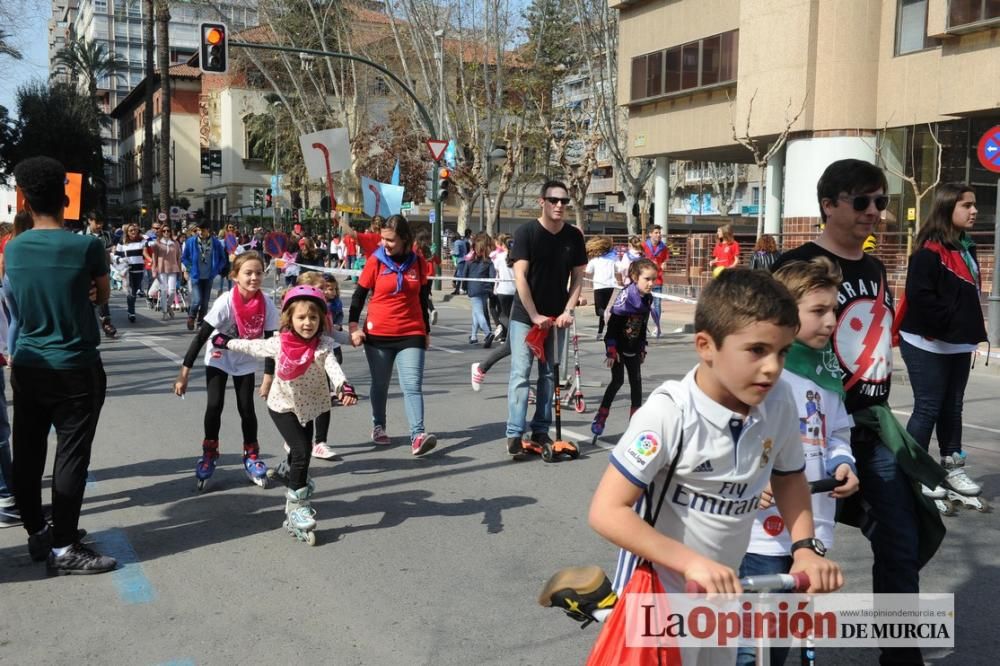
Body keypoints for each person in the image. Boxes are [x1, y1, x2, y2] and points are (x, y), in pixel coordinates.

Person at [570, 269, 843, 666]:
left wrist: (805, 548)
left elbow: (789, 477)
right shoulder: (668, 413)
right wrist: (691, 562)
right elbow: (607, 512)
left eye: (782, 352)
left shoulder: (780, 400)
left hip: (719, 594)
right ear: (705, 346)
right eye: (757, 350)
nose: (772, 367)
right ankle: (601, 604)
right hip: (658, 592)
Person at [772, 158, 946, 666]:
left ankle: (901, 656)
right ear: (828, 204)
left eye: (881, 202)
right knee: (782, 545)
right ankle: (763, 651)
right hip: (805, 428)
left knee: (902, 537)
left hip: (869, 424)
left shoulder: (872, 267)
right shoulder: (797, 262)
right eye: (862, 201)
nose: (875, 212)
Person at [738, 257, 860, 666]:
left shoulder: (829, 374)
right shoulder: (767, 372)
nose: (831, 321)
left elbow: (838, 432)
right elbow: (735, 437)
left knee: (782, 636)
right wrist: (753, 478)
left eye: (834, 311)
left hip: (814, 525)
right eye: (819, 311)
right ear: (787, 315)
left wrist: (844, 464)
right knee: (749, 644)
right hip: (763, 535)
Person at [7, 156, 117, 573]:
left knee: (28, 451)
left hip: (29, 362)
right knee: (71, 456)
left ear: (26, 199)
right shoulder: (86, 245)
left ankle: (38, 532)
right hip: (74, 364)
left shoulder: (14, 248)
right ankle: (64, 545)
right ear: (65, 195)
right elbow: (102, 296)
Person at [219, 286, 357, 544]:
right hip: (282, 406)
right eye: (301, 317)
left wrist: (343, 386)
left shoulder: (323, 345)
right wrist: (225, 342)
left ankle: (287, 469)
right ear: (290, 320)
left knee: (299, 452)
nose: (308, 323)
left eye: (313, 318)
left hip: (309, 406)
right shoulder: (280, 342)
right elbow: (253, 347)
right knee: (304, 450)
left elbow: (334, 368)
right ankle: (296, 507)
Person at [896, 183, 988, 503]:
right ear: (948, 208)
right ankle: (914, 471)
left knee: (953, 408)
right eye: (967, 205)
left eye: (974, 205)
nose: (974, 211)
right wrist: (955, 322)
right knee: (929, 407)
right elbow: (921, 300)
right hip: (926, 342)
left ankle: (952, 467)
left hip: (957, 343)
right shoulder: (928, 252)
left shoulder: (967, 247)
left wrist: (966, 328)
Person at [174, 252, 279, 489]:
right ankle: (209, 452)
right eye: (248, 273)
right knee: (215, 404)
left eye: (258, 273)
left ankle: (251, 455)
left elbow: (272, 343)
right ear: (235, 276)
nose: (254, 278)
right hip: (220, 355)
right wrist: (184, 374)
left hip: (244, 356)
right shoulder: (226, 301)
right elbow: (201, 337)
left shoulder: (267, 304)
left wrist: (268, 378)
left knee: (246, 408)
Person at [505, 180, 587, 459]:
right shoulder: (527, 233)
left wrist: (568, 310)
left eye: (564, 201)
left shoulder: (574, 237)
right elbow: (520, 278)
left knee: (549, 375)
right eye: (554, 200)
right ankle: (515, 433)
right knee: (520, 372)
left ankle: (540, 429)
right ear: (542, 201)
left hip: (555, 317)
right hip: (525, 316)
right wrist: (534, 315)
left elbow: (577, 278)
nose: (560, 206)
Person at [349, 214, 437, 456]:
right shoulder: (375, 261)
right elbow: (359, 296)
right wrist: (353, 327)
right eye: (382, 239)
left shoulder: (417, 262)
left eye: (390, 240)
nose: (384, 244)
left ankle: (417, 435)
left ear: (405, 240)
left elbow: (421, 298)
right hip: (378, 334)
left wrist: (426, 331)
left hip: (411, 332)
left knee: (412, 385)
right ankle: (379, 425)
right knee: (381, 383)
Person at [589, 258, 657, 439]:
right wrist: (611, 350)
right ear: (635, 277)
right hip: (618, 348)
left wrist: (642, 347)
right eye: (647, 279)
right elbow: (611, 328)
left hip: (634, 346)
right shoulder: (626, 298)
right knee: (617, 381)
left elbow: (642, 325)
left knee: (636, 383)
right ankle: (601, 416)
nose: (651, 283)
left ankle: (635, 423)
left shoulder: (647, 298)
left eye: (653, 279)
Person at [470, 236, 515, 391]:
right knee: (517, 343)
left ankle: (525, 385)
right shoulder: (506, 257)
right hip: (516, 297)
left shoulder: (500, 257)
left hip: (516, 295)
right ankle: (498, 328)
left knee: (518, 345)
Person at [181, 222, 229, 331]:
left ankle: (200, 322)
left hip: (209, 275)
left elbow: (222, 259)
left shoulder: (216, 243)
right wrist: (190, 268)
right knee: (197, 300)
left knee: (205, 301)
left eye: (202, 230)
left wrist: (217, 269)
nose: (200, 232)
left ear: (208, 230)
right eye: (198, 230)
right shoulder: (191, 242)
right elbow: (184, 258)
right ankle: (191, 317)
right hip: (196, 275)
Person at [81, 212, 118, 338]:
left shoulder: (106, 235)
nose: (99, 225)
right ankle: (85, 326)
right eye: (97, 222)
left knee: (103, 297)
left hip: (102, 271)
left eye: (101, 223)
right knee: (87, 299)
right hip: (86, 272)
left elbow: (110, 250)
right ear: (89, 221)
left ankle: (107, 324)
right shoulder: (81, 235)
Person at [585, 235, 619, 340]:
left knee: (600, 311)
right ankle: (600, 332)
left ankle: (604, 329)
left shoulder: (595, 260)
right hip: (611, 286)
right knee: (605, 311)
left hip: (599, 286)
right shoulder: (613, 257)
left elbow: (588, 271)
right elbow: (618, 268)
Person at [465, 234, 496, 345]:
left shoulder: (469, 262)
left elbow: (464, 275)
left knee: (478, 313)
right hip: (485, 289)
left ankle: (488, 333)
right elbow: (492, 277)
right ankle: (473, 336)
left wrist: (464, 287)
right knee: (476, 312)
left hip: (474, 289)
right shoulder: (489, 262)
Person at [114, 223, 149, 323]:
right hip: (128, 270)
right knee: (131, 292)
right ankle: (131, 312)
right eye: (131, 230)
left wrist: (145, 236)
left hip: (139, 270)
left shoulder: (142, 240)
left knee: (135, 290)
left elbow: (150, 246)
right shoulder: (122, 241)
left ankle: (131, 309)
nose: (133, 232)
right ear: (127, 232)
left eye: (135, 230)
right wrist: (121, 260)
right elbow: (116, 255)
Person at [148, 225, 182, 319]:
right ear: (161, 232)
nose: (166, 232)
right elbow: (154, 258)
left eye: (168, 230)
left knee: (172, 291)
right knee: (163, 290)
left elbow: (178, 257)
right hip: (161, 268)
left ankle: (168, 306)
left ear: (171, 232)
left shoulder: (175, 243)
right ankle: (164, 312)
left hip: (173, 268)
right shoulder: (157, 243)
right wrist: (154, 269)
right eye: (164, 231)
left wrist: (180, 270)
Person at [642, 225, 670, 337]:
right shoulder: (644, 246)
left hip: (657, 279)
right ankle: (642, 326)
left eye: (659, 233)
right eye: (656, 232)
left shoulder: (663, 248)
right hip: (645, 280)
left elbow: (665, 260)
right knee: (643, 304)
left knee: (657, 305)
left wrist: (664, 264)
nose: (659, 235)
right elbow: (638, 260)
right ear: (650, 234)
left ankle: (657, 327)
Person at [450, 229, 471, 295]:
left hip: (460, 260)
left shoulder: (456, 242)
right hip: (464, 260)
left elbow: (457, 252)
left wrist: (452, 253)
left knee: (460, 276)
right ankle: (458, 290)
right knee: (461, 275)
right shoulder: (462, 241)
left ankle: (461, 290)